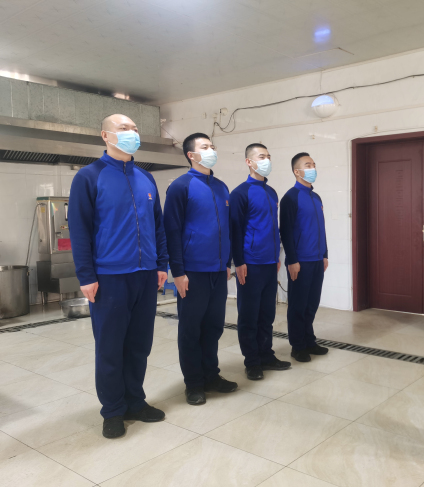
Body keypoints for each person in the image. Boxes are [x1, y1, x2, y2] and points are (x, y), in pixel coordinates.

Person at [68, 114, 169, 439]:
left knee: (139, 345)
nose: (132, 133)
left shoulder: (146, 178)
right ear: (105, 136)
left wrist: (161, 264)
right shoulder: (89, 177)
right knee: (110, 348)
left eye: (135, 129)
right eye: (124, 129)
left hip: (145, 275)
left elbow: (158, 225)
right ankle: (112, 410)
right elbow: (79, 230)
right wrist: (86, 275)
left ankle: (135, 402)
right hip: (109, 277)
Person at [163, 133, 238, 406]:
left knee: (213, 327)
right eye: (205, 147)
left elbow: (226, 229)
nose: (211, 150)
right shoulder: (180, 187)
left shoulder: (221, 187)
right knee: (191, 330)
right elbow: (172, 231)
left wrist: (227, 263)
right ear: (191, 155)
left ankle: (211, 376)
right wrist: (178, 272)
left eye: (212, 146)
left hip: (218, 270)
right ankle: (194, 383)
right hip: (192, 271)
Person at [230, 143, 291, 380]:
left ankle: (266, 355)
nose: (266, 160)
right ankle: (252, 361)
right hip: (250, 263)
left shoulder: (271, 192)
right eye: (261, 156)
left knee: (267, 314)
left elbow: (272, 228)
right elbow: (235, 230)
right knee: (249, 315)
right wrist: (239, 262)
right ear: (249, 161)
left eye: (268, 156)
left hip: (269, 263)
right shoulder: (240, 193)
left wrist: (276, 257)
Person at [279, 152, 329, 362]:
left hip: (317, 259)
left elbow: (321, 228)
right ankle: (297, 346)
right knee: (298, 305)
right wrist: (292, 260)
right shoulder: (291, 197)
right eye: (308, 165)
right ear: (297, 171)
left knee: (311, 304)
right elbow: (286, 232)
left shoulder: (316, 197)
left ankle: (309, 340)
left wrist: (325, 254)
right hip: (301, 261)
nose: (312, 168)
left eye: (314, 164)